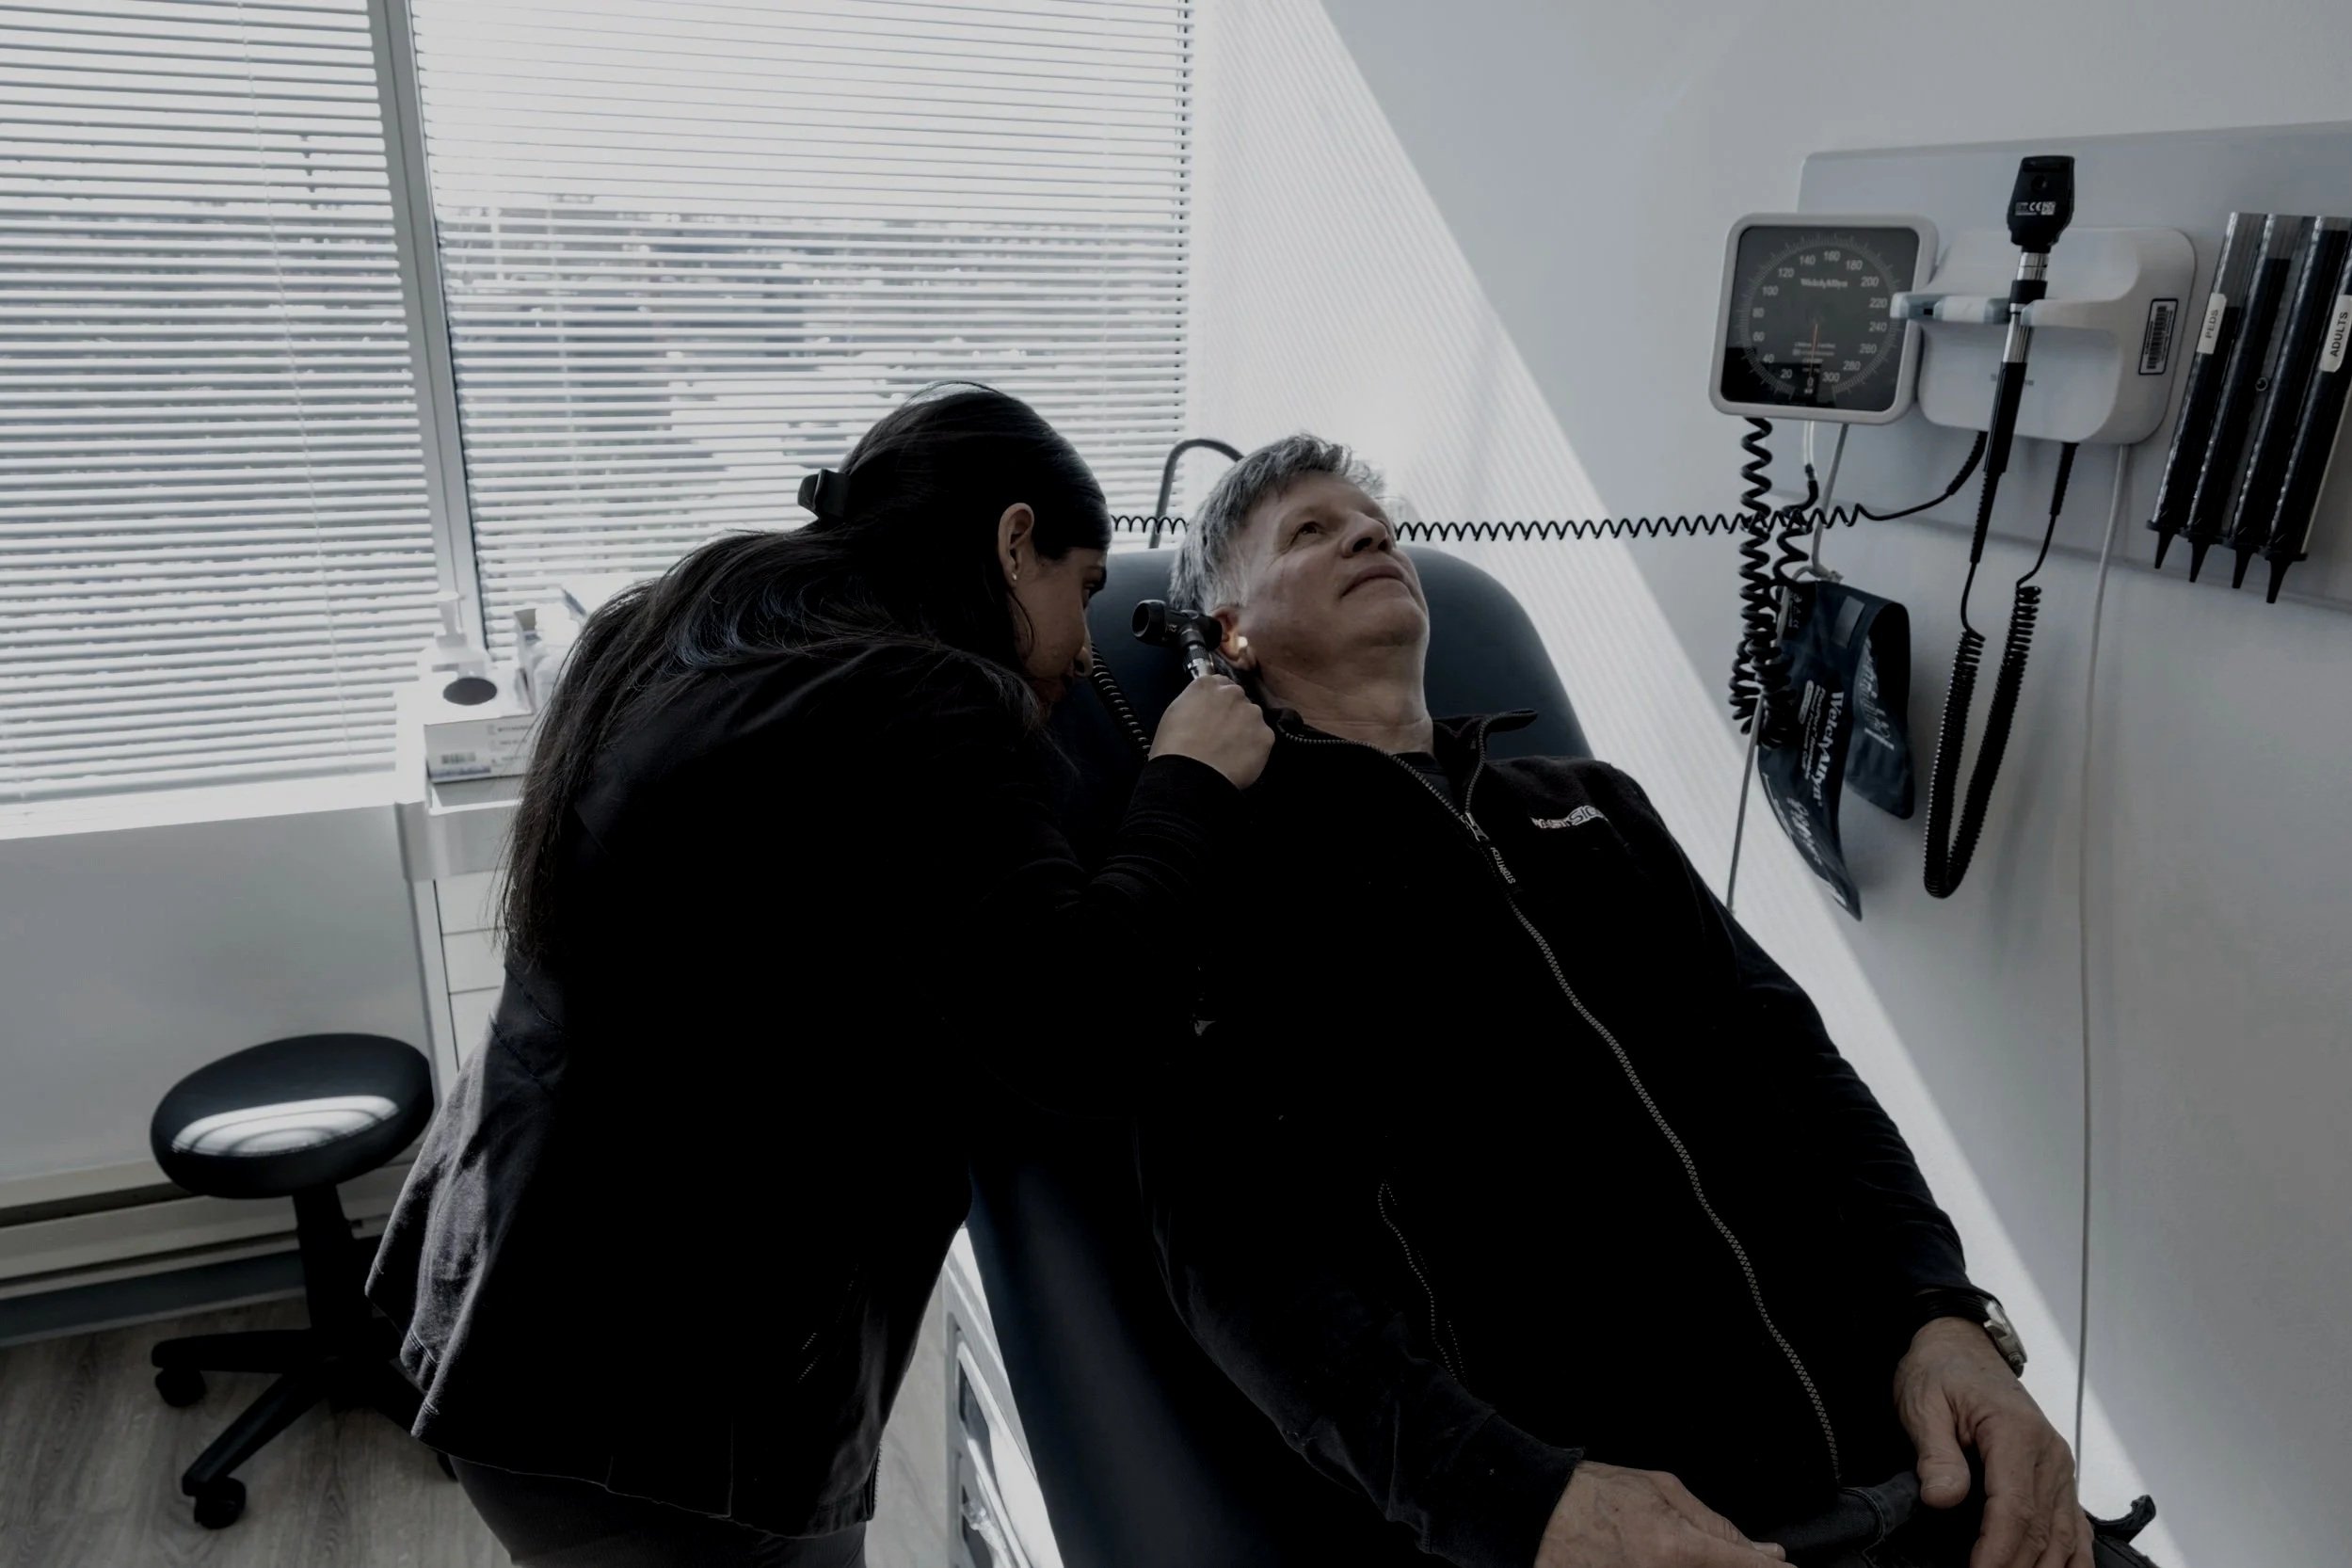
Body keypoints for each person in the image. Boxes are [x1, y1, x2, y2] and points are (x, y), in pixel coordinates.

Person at [1139, 434, 2101, 1568]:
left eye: (1376, 521)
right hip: (1652, 1531)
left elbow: (1807, 1076)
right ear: (1229, 637)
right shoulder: (1232, 873)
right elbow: (1238, 1257)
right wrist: (1519, 1502)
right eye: (1310, 530)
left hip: (1927, 1473)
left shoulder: (1593, 806)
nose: (1368, 533)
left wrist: (1946, 1317)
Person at [366, 385, 1272, 1568]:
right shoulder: (920, 697)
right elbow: (1081, 1027)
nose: (1084, 647)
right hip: (650, 1413)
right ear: (1011, 540)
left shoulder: (686, 623)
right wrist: (1188, 780)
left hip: (508, 1304)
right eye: (1081, 590)